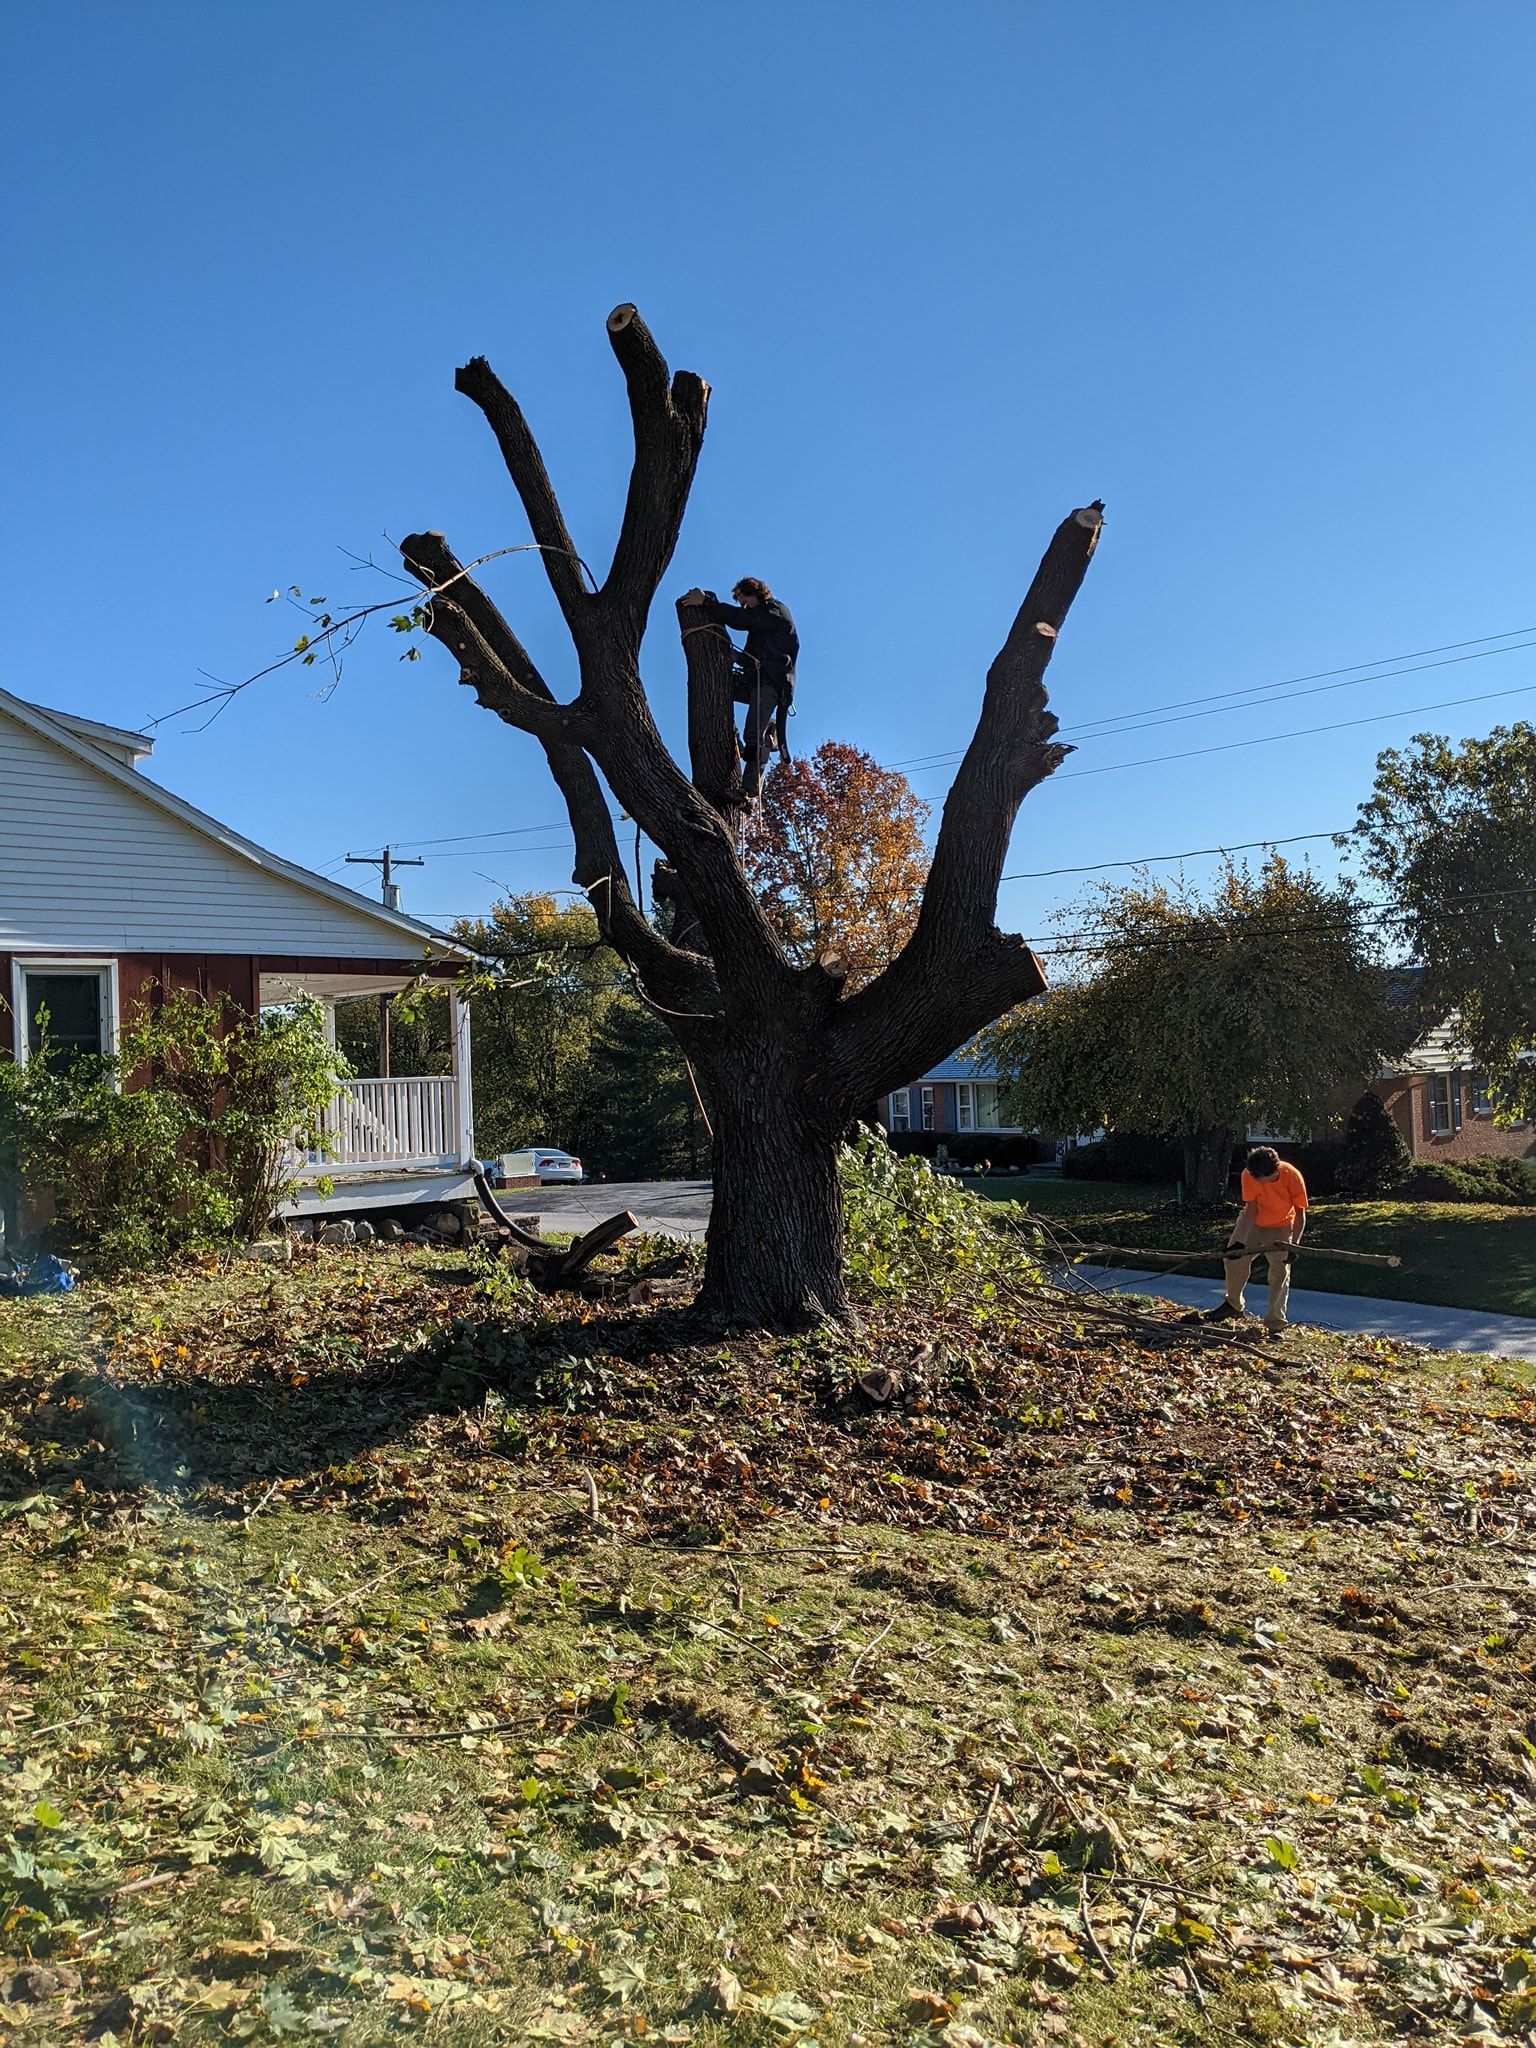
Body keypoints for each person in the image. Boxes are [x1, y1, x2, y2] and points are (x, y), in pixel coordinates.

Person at [680, 578, 798, 795]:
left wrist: (706, 602)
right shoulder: (763, 620)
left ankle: (748, 789)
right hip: (757, 679)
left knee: (752, 734)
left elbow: (741, 619)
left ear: (753, 594)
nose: (744, 606)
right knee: (721, 686)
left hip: (771, 683)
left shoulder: (773, 611)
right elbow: (755, 649)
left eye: (744, 601)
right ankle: (760, 728)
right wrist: (738, 658)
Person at [1208, 1145, 1308, 1336]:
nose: (1256, 1181)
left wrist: (1294, 1245)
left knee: (1280, 1272)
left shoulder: (1292, 1176)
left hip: (1281, 1226)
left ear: (1274, 1171)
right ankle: (1234, 1305)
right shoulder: (1249, 1174)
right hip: (1254, 1223)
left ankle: (1275, 1323)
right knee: (1232, 1260)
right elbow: (1250, 1209)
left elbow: (1301, 1214)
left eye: (1260, 1178)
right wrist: (1239, 1240)